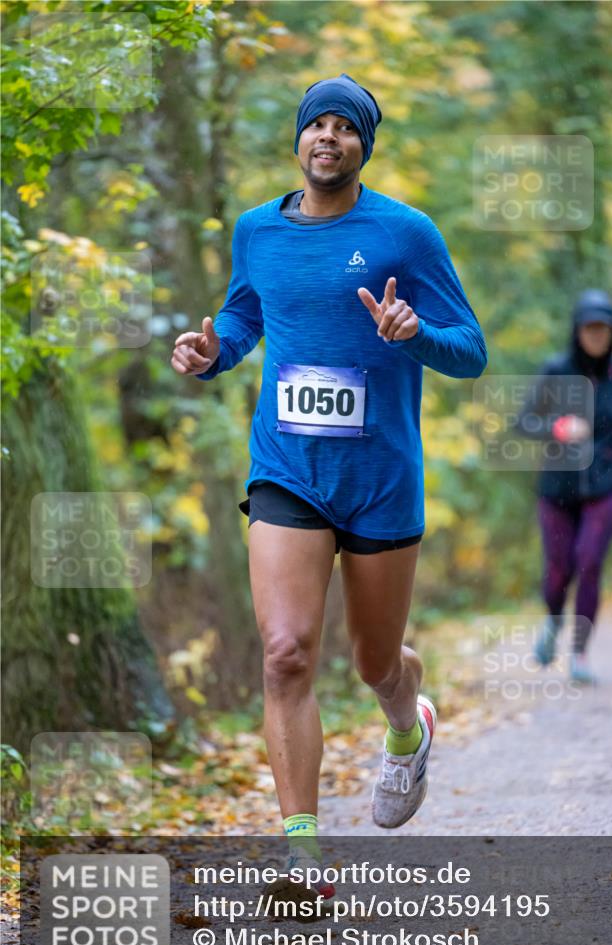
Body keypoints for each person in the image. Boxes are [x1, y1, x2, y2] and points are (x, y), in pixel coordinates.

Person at [171, 73, 487, 896]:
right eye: (319, 124)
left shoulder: (404, 233)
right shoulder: (256, 230)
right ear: (299, 137)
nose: (329, 138)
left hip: (380, 477)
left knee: (375, 663)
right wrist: (212, 353)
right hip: (288, 470)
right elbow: (244, 317)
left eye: (347, 128)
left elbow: (470, 350)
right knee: (284, 654)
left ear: (362, 147)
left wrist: (415, 334)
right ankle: (302, 859)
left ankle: (406, 724)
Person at [519, 289, 612, 684]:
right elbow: (524, 422)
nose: (597, 336)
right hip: (558, 486)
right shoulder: (556, 370)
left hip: (609, 484)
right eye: (590, 328)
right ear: (577, 331)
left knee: (589, 561)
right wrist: (557, 427)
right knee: (559, 568)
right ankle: (553, 620)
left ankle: (580, 651)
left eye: (603, 329)